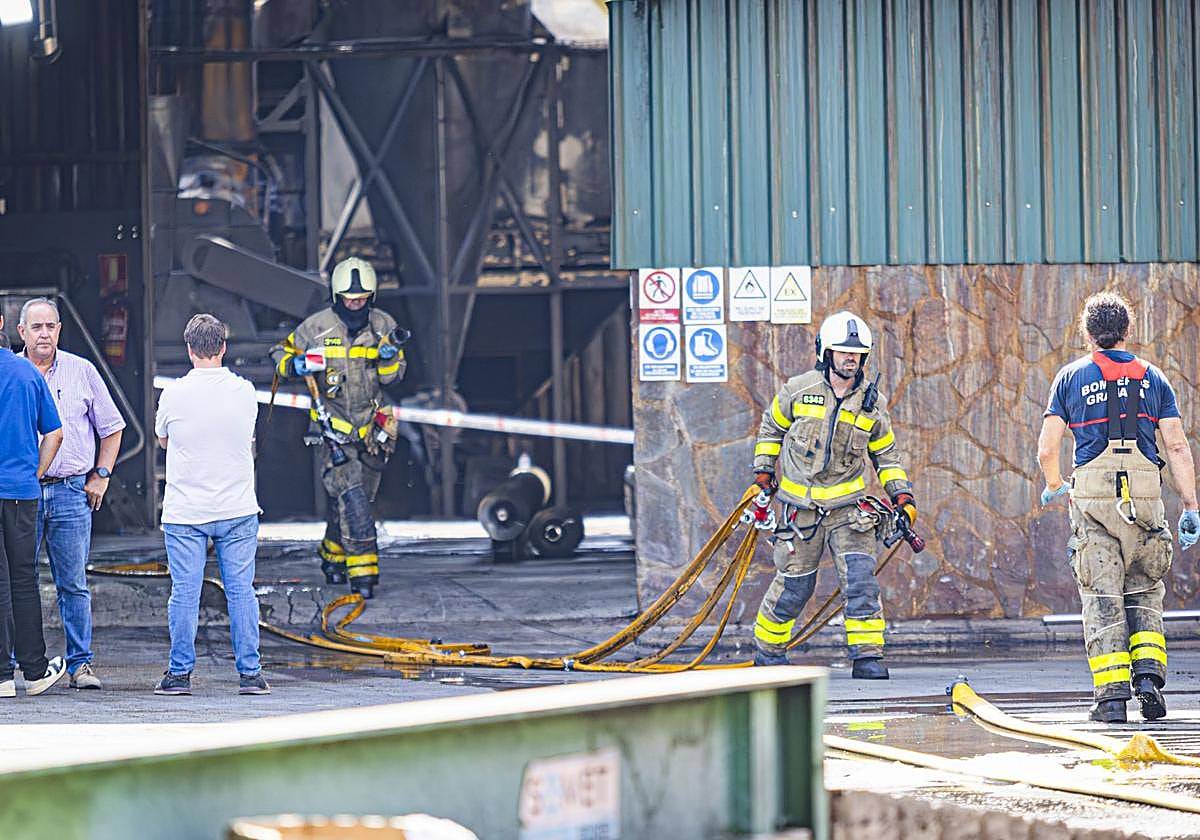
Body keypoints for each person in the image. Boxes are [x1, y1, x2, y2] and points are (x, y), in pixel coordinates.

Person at [1038, 291, 1198, 723]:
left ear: (1088, 334)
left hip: (1092, 495)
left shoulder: (1070, 378)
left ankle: (1111, 701)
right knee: (1145, 588)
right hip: (1144, 494)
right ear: (1128, 331)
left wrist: (1055, 484)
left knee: (1101, 592)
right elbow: (1178, 446)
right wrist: (1190, 506)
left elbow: (1048, 448)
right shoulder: (1154, 378)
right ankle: (1147, 679)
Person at [749, 311, 916, 679]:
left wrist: (901, 496)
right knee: (795, 585)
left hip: (849, 513)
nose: (850, 359)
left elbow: (885, 454)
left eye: (856, 354)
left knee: (860, 581)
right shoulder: (798, 390)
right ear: (826, 351)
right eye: (842, 352)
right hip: (801, 513)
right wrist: (764, 469)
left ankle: (868, 657)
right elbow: (771, 427)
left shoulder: (872, 404)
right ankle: (768, 652)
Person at [270, 257, 406, 599]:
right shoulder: (317, 328)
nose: (356, 302)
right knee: (355, 501)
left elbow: (393, 377)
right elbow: (279, 352)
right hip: (334, 431)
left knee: (356, 500)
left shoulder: (383, 324)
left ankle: (332, 556)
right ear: (337, 295)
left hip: (374, 431)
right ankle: (363, 577)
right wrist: (293, 363)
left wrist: (388, 356)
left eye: (362, 297)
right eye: (349, 297)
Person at [154, 314, 269, 696]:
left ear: (189, 349)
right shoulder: (244, 392)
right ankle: (250, 675)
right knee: (241, 591)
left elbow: (164, 440)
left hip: (186, 512)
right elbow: (246, 436)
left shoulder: (173, 394)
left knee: (184, 593)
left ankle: (179, 676)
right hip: (237, 509)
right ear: (223, 347)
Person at [18, 297, 126, 689]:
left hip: (70, 491)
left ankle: (81, 664)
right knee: (17, 578)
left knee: (73, 582)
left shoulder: (82, 371)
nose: (44, 334)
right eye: (36, 327)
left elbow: (112, 428)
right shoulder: (10, 373)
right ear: (21, 333)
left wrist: (101, 475)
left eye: (50, 327)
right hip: (21, 495)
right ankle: (20, 663)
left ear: (59, 329)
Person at [0, 311, 69, 698]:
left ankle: (1, 677)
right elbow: (54, 433)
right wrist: (36, 473)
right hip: (21, 492)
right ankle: (36, 670)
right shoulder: (27, 373)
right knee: (24, 580)